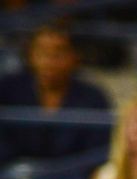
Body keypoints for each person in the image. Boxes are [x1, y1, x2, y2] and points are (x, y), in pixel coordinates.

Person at [0, 25, 112, 170]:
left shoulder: (93, 97)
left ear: (74, 57)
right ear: (30, 56)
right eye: (42, 52)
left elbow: (97, 151)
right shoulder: (8, 90)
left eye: (58, 53)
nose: (49, 61)